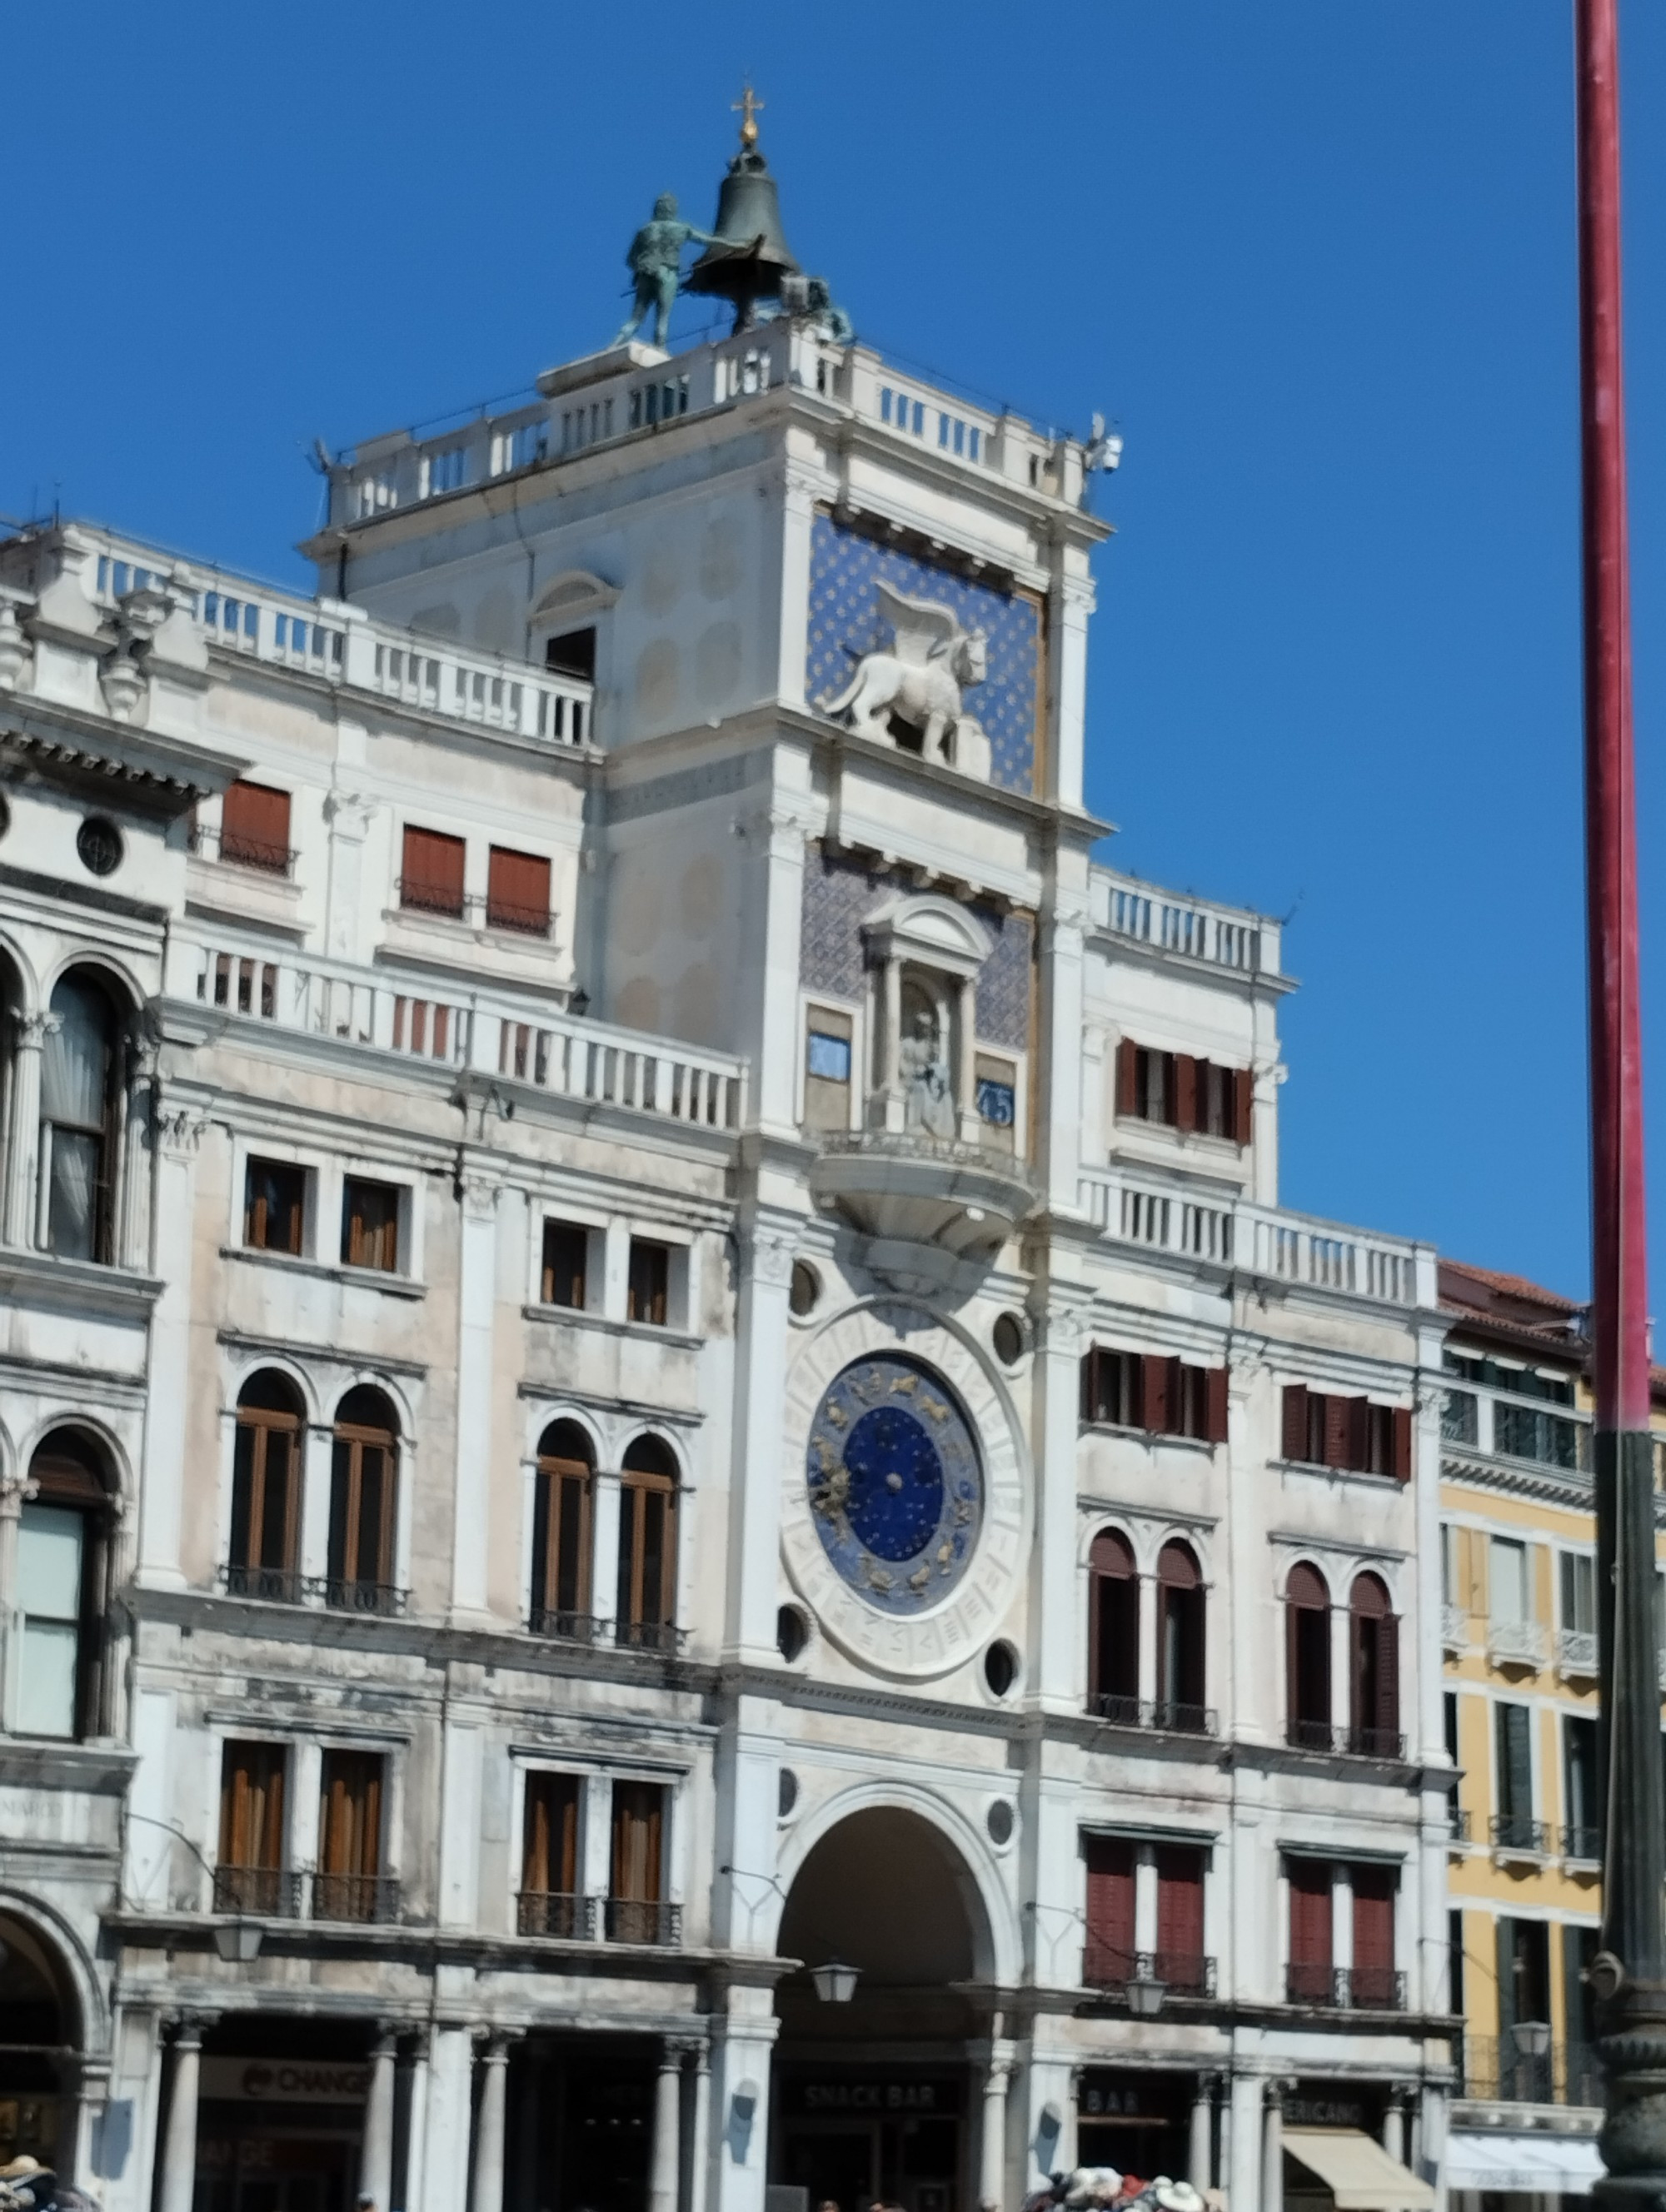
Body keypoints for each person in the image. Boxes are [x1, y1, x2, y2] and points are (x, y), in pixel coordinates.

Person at [611, 194, 718, 351]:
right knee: (662, 317)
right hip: (668, 273)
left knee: (635, 319)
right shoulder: (681, 228)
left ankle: (615, 345)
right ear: (673, 209)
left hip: (645, 274)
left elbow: (630, 259)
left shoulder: (644, 230)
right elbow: (708, 240)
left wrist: (643, 267)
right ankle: (660, 349)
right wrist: (735, 244)